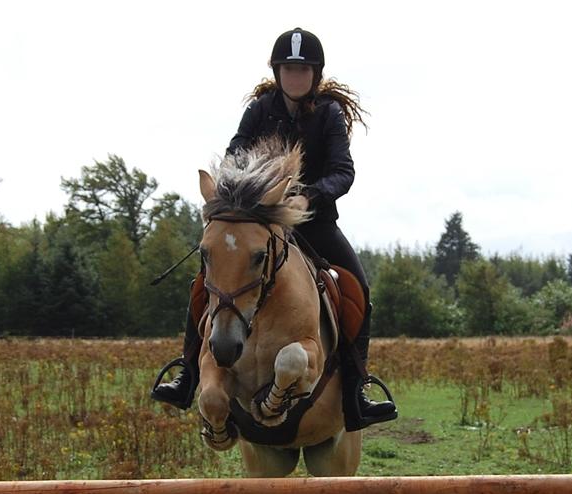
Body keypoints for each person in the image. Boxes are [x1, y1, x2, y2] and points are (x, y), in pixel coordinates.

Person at [152, 27, 397, 431]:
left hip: (312, 224)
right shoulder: (260, 109)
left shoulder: (330, 115)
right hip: (257, 221)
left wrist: (310, 197)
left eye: (303, 71)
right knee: (204, 281)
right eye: (289, 69)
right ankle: (187, 375)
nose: (295, 77)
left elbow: (343, 172)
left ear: (315, 75)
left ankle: (357, 389)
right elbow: (234, 154)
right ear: (278, 72)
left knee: (359, 288)